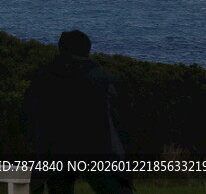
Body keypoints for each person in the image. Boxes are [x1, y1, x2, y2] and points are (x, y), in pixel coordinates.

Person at [23, 30, 132, 194]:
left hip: (55, 153)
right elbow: (118, 122)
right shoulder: (103, 80)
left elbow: (28, 118)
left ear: (61, 49)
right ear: (87, 50)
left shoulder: (42, 79)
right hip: (98, 151)